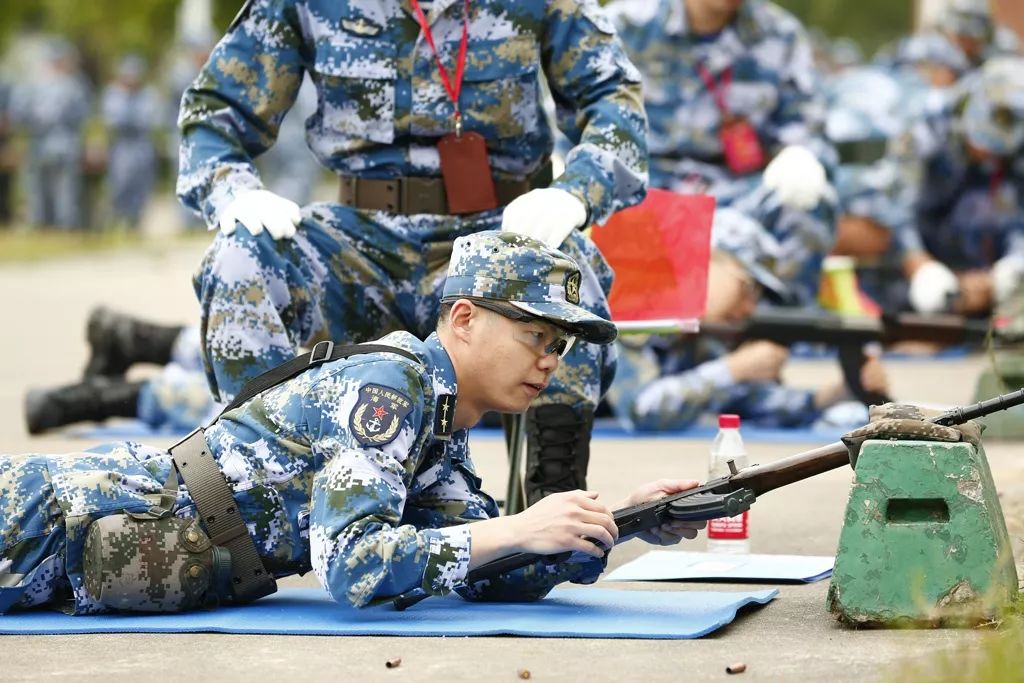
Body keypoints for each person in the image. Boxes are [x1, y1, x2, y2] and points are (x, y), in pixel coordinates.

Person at [0, 232, 704, 615]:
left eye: (561, 345)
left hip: (114, 541)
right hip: (54, 515)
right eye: (536, 335)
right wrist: (518, 525)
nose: (550, 360)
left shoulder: (439, 423)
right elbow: (354, 564)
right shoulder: (391, 386)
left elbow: (486, 573)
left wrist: (621, 518)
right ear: (464, 318)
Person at [176, 0, 648, 506]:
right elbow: (214, 110)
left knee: (567, 262)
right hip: (360, 241)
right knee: (241, 255)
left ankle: (554, 500)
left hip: (496, 233)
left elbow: (615, 102)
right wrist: (232, 190)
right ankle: (259, 496)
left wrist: (575, 192)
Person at [607, 0, 837, 304]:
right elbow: (575, 118)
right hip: (642, 192)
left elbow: (807, 129)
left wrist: (801, 156)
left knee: (814, 201)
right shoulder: (624, 24)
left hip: (733, 194)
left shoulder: (780, 35)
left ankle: (774, 330)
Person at [606, 209, 888, 432]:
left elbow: (748, 402)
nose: (748, 308)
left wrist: (835, 392)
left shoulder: (708, 335)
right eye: (747, 286)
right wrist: (732, 369)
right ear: (705, 261)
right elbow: (641, 411)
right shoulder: (633, 306)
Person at [891, 55, 1024, 317]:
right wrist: (918, 263)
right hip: (922, 259)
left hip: (987, 274)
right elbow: (892, 202)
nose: (986, 154)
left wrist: (1012, 267)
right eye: (982, 141)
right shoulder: (925, 124)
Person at [8, 39, 91, 230]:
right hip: (41, 143)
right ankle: (42, 225)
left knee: (65, 191)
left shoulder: (74, 84)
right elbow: (19, 111)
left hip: (63, 143)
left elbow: (82, 114)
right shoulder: (35, 84)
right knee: (39, 189)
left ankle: (63, 227)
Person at [101, 54, 163, 230]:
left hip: (142, 145)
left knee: (141, 187)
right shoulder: (113, 93)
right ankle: (117, 222)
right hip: (121, 145)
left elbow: (152, 120)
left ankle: (135, 224)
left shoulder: (148, 94)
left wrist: (130, 119)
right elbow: (113, 120)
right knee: (119, 185)